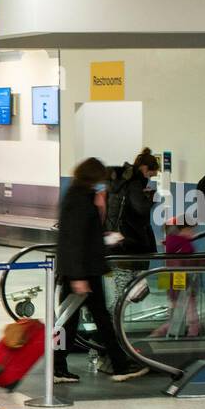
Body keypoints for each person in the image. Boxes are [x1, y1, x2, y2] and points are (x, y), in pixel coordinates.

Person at [54, 157, 149, 384]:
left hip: (82, 270)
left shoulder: (78, 196)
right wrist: (78, 277)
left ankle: (59, 367)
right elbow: (74, 240)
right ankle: (119, 365)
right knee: (97, 320)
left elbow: (82, 235)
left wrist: (104, 233)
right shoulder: (79, 200)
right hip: (83, 272)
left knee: (70, 321)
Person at [108, 148, 160, 307]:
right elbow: (141, 208)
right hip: (130, 243)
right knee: (124, 293)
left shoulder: (124, 182)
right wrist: (151, 198)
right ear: (144, 168)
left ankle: (115, 323)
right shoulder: (135, 184)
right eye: (150, 174)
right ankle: (113, 325)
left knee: (125, 290)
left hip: (121, 241)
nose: (149, 178)